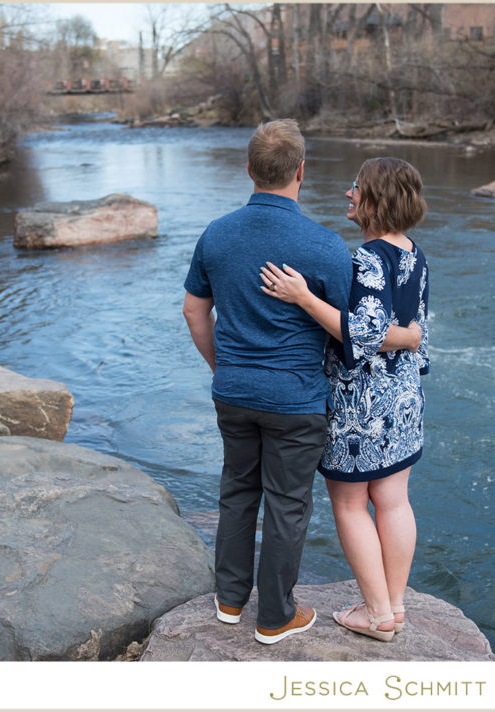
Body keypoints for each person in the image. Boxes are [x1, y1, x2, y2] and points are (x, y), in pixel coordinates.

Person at [182, 123, 420, 645]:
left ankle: (228, 600)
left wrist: (222, 367)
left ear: (249, 170)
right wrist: (408, 336)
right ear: (301, 172)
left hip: (234, 391)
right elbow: (353, 330)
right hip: (295, 397)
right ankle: (275, 616)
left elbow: (194, 311)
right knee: (287, 503)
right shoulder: (325, 245)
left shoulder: (216, 234)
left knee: (236, 491)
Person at [260, 156, 429, 643]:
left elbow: (365, 335)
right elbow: (414, 330)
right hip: (402, 398)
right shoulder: (414, 253)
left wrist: (303, 298)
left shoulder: (369, 258)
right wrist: (412, 338)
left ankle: (375, 615)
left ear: (376, 199)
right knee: (394, 502)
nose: (348, 195)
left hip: (361, 405)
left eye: (356, 188)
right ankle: (393, 606)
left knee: (352, 505)